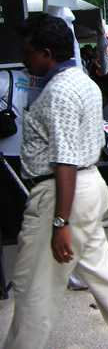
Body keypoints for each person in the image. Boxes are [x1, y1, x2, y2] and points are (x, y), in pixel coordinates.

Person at [5, 14, 108, 348]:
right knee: (105, 281)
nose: (23, 58)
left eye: (27, 51)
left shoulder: (59, 91)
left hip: (63, 194)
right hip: (86, 187)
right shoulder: (83, 82)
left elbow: (65, 160)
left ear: (47, 53)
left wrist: (60, 221)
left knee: (34, 290)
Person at [0, 67, 29, 242]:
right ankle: (20, 226)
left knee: (4, 191)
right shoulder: (24, 78)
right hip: (21, 142)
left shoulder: (3, 78)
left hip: (5, 144)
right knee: (18, 188)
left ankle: (10, 230)